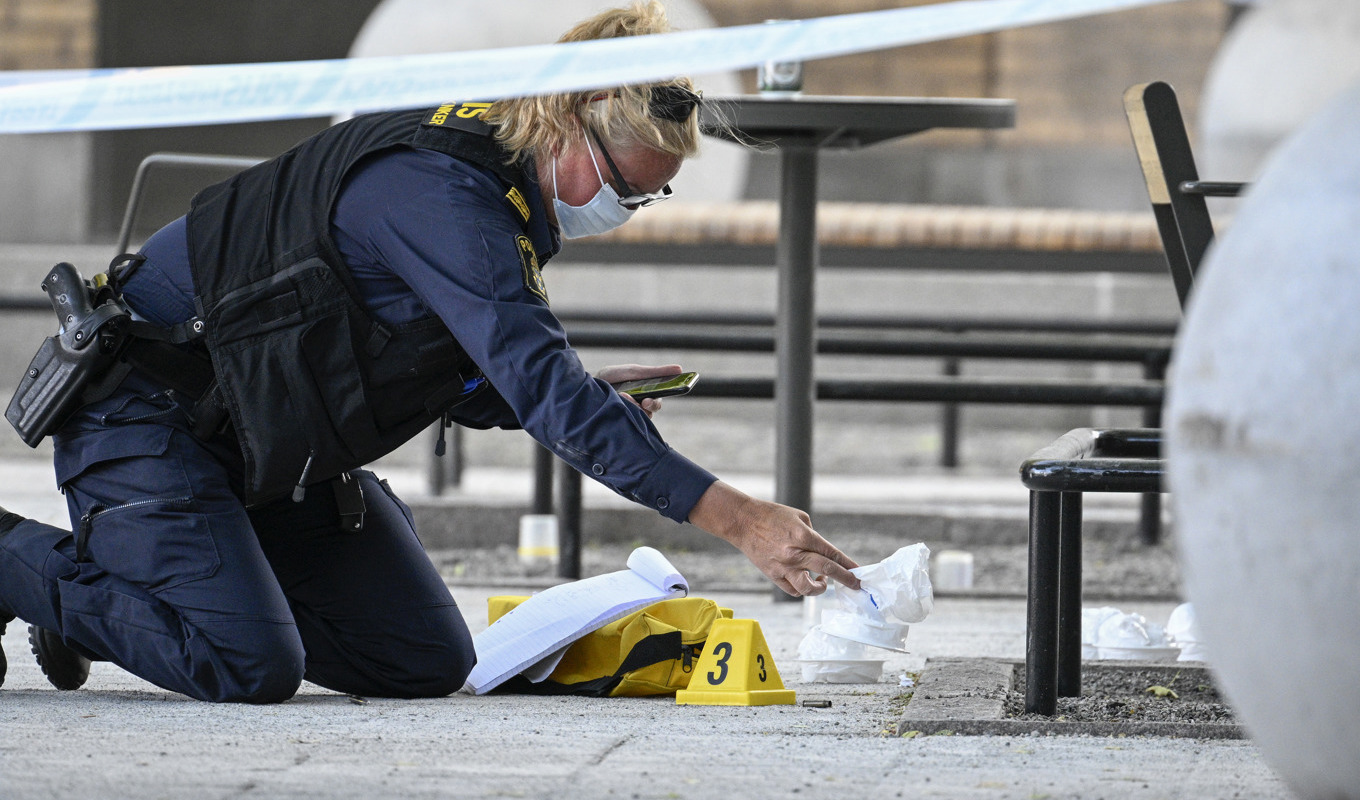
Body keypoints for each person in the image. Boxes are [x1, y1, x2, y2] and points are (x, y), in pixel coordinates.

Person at [0, 1, 860, 703]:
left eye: (650, 195)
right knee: (245, 663)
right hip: (147, 420)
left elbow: (443, 364)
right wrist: (742, 520)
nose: (628, 207)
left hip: (266, 442)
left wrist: (576, 390)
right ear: (566, 118)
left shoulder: (504, 190)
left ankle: (126, 591)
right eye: (623, 184)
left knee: (419, 662)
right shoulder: (442, 191)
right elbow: (540, 389)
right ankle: (53, 574)